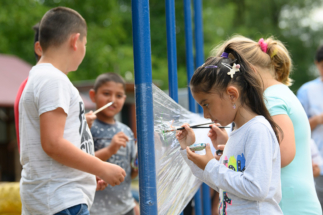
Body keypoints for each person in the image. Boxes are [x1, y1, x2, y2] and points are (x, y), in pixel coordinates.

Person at [19, 7, 126, 215]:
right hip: (60, 200)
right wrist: (101, 167)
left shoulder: (41, 78)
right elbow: (53, 144)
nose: (84, 49)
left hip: (56, 196)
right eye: (85, 44)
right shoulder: (54, 80)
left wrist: (84, 174)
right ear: (75, 41)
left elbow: (56, 145)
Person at [213, 36, 322, 214]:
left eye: (233, 80)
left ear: (252, 73)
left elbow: (283, 155)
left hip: (289, 207)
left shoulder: (271, 100)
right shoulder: (279, 93)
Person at [176, 52, 283, 214]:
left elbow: (256, 189)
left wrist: (211, 165)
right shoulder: (237, 131)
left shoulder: (257, 129)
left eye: (206, 104)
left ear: (232, 95)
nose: (205, 115)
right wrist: (188, 149)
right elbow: (222, 182)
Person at [14, 23, 96, 152]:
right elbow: (53, 143)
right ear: (39, 48)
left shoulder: (43, 81)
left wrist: (77, 124)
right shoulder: (50, 81)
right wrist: (102, 167)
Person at [88, 73, 138, 215]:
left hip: (125, 208)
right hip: (95, 210)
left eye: (119, 96)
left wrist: (141, 158)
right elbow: (80, 164)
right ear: (93, 95)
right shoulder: (88, 126)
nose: (112, 100)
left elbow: (131, 173)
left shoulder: (126, 130)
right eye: (106, 93)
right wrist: (110, 150)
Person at [297, 45, 323, 209]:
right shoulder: (306, 91)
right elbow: (296, 128)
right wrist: (318, 119)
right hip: (317, 164)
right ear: (317, 64)